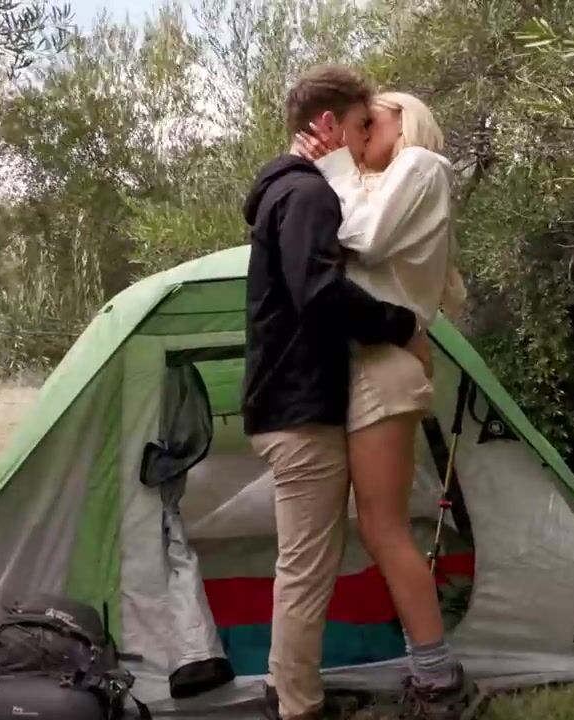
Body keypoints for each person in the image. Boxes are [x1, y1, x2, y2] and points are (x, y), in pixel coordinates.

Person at [240, 65, 432, 720]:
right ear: (328, 125)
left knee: (302, 563)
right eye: (358, 124)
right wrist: (402, 324)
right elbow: (321, 296)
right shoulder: (307, 195)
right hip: (300, 410)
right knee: (307, 567)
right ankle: (298, 707)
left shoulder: (281, 192)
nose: (362, 138)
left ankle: (289, 688)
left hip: (284, 404)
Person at [291, 91, 478, 719]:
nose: (361, 128)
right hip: (368, 364)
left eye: (373, 118)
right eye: (357, 121)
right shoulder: (378, 183)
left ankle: (438, 680)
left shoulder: (424, 165)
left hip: (383, 365)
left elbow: (364, 240)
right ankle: (429, 671)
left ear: (407, 122)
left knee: (383, 528)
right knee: (376, 527)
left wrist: (332, 164)